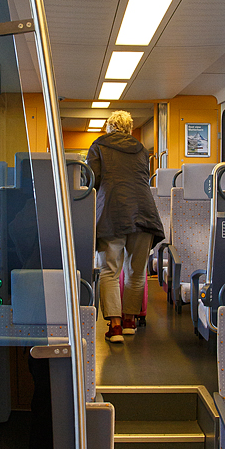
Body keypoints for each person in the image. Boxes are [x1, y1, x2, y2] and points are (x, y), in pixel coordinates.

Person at [86, 110, 164, 343]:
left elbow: (92, 180)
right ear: (130, 129)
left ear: (109, 127)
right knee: (137, 271)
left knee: (109, 271)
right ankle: (130, 321)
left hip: (112, 212)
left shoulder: (99, 145)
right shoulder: (141, 149)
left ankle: (115, 326)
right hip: (144, 212)